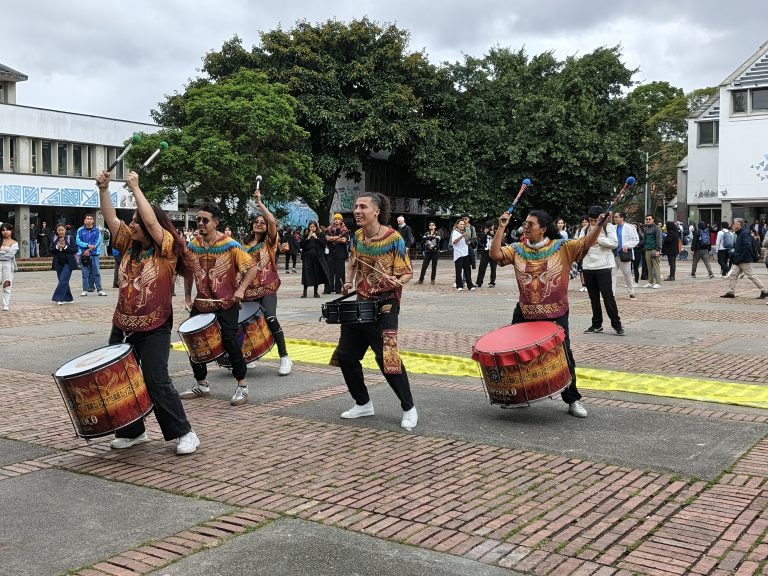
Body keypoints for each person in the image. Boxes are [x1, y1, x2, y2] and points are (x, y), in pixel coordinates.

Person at [96, 170, 199, 455]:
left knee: (156, 379)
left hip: (154, 326)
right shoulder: (129, 243)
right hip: (123, 325)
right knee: (121, 378)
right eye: (132, 222)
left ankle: (184, 432)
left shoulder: (166, 249)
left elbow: (152, 221)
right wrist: (104, 190)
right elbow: (111, 218)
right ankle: (133, 431)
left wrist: (136, 188)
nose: (132, 225)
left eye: (136, 221)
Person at [490, 208, 606, 418]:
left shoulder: (562, 247)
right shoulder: (517, 249)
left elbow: (586, 243)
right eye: (525, 223)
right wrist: (501, 227)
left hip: (556, 312)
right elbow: (495, 254)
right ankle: (517, 395)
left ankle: (573, 399)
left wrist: (598, 225)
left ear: (543, 229)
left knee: (564, 356)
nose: (525, 227)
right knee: (516, 354)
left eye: (530, 224)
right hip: (526, 311)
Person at [332, 193, 418, 431]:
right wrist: (350, 282)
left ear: (377, 211)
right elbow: (355, 262)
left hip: (386, 302)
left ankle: (409, 407)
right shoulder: (358, 236)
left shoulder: (394, 238)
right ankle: (363, 403)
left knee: (386, 356)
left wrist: (396, 280)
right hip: (362, 300)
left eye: (363, 207)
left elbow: (407, 273)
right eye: (355, 207)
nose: (357, 211)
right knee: (347, 356)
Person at [180, 203, 259, 406]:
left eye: (205, 220)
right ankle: (202, 384)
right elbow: (188, 273)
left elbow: (252, 267)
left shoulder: (231, 245)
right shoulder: (192, 245)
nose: (200, 223)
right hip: (202, 303)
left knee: (230, 342)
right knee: (193, 342)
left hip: (227, 303)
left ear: (216, 222)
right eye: (198, 220)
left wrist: (240, 290)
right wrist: (187, 297)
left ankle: (242, 385)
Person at [242, 189, 293, 375]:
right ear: (251, 225)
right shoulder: (244, 246)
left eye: (262, 223)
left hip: (268, 289)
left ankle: (285, 358)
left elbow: (272, 221)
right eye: (256, 222)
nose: (260, 224)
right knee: (248, 324)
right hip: (248, 291)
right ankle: (251, 356)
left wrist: (260, 203)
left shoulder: (270, 242)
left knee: (271, 318)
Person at [582, 206, 624, 335]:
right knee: (593, 298)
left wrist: (598, 239)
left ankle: (617, 325)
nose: (593, 223)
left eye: (596, 220)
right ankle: (596, 324)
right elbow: (580, 244)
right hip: (588, 267)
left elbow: (614, 243)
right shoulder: (584, 229)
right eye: (591, 220)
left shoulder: (608, 227)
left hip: (604, 267)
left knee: (608, 297)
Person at [721, 218, 768, 299]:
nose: (732, 225)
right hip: (739, 259)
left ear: (739, 225)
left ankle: (764, 291)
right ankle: (731, 292)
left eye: (734, 224)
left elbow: (747, 247)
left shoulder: (744, 233)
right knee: (733, 275)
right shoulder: (740, 233)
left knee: (751, 276)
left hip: (744, 259)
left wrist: (741, 257)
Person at [76, 213, 106, 296]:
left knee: (96, 272)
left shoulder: (97, 230)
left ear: (93, 221)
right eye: (87, 218)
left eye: (91, 218)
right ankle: (85, 290)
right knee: (85, 273)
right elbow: (78, 241)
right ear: (84, 220)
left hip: (94, 254)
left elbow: (97, 242)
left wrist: (89, 249)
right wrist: (87, 246)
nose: (89, 220)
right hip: (84, 255)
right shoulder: (80, 230)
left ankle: (99, 290)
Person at [299, 221, 330, 298]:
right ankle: (304, 292)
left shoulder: (320, 234)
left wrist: (316, 238)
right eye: (310, 226)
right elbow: (301, 245)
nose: (312, 228)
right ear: (308, 227)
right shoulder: (305, 235)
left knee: (316, 273)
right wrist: (308, 238)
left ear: (316, 227)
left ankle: (315, 292)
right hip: (307, 257)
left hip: (317, 257)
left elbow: (323, 245)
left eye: (313, 226)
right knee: (306, 273)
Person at [612, 212, 639, 299]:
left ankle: (631, 292)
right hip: (614, 253)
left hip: (624, 254)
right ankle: (611, 294)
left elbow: (635, 240)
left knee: (627, 274)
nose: (615, 218)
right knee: (612, 274)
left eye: (616, 217)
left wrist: (627, 245)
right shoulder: (613, 227)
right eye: (614, 217)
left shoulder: (629, 227)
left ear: (622, 218)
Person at [50, 224, 78, 305]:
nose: (61, 232)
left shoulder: (70, 238)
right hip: (58, 263)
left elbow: (75, 250)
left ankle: (58, 298)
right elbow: (51, 250)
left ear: (65, 230)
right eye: (59, 230)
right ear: (57, 231)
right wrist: (57, 247)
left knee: (63, 279)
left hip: (68, 263)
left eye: (62, 230)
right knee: (63, 281)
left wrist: (65, 247)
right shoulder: (54, 239)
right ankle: (68, 298)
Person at [324, 213, 350, 294]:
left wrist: (332, 239)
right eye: (335, 219)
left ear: (341, 220)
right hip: (330, 253)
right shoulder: (329, 229)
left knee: (340, 272)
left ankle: (339, 289)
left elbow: (344, 240)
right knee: (329, 271)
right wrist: (337, 238)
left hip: (340, 253)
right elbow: (326, 238)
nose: (336, 220)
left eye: (338, 219)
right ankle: (328, 289)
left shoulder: (345, 230)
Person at [451, 218, 475, 291]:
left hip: (466, 253)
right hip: (458, 254)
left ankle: (470, 285)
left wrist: (468, 242)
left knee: (468, 270)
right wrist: (461, 236)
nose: (462, 225)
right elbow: (454, 242)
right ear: (457, 225)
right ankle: (459, 286)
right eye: (460, 224)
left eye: (463, 224)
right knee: (458, 271)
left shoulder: (464, 232)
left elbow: (466, 242)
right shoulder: (455, 232)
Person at [0, 223, 19, 311]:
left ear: (11, 231)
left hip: (8, 265)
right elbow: (7, 254)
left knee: (7, 284)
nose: (5, 232)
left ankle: (6, 304)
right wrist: (5, 252)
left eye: (7, 230)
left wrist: (1, 253)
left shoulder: (14, 243)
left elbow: (10, 255)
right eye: (3, 230)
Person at [642, 215, 664, 288]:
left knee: (656, 266)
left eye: (649, 219)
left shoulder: (657, 228)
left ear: (653, 220)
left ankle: (658, 283)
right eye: (647, 219)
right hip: (647, 249)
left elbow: (659, 240)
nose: (648, 220)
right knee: (649, 267)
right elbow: (644, 240)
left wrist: (658, 250)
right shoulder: (645, 229)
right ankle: (650, 282)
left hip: (654, 249)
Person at [475, 222, 497, 288]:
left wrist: (491, 234)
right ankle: (479, 282)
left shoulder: (496, 232)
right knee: (482, 267)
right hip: (485, 252)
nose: (491, 228)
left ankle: (492, 282)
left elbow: (498, 240)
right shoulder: (485, 233)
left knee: (493, 268)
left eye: (491, 227)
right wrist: (485, 234)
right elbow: (481, 242)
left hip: (493, 252)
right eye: (489, 227)